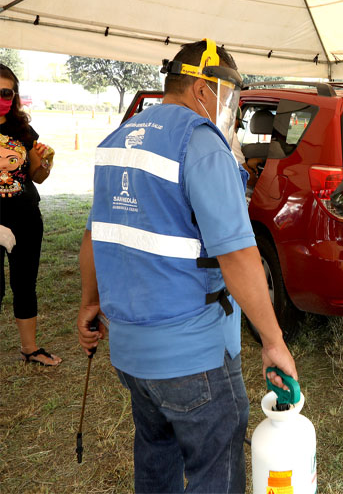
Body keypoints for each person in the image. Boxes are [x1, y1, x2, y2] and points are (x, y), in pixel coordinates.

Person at [77, 40, 297, 493]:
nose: (230, 112)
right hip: (193, 355)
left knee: (156, 455)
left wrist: (89, 304)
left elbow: (93, 235)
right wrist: (273, 341)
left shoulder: (118, 139)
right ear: (202, 88)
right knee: (215, 468)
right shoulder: (200, 142)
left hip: (131, 355)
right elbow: (237, 254)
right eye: (229, 97)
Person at [0, 64, 59, 366]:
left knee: (25, 283)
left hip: (25, 217)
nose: (1, 97)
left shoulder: (23, 130)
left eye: (6, 92)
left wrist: (46, 162)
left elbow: (37, 176)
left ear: (14, 96)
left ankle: (29, 349)